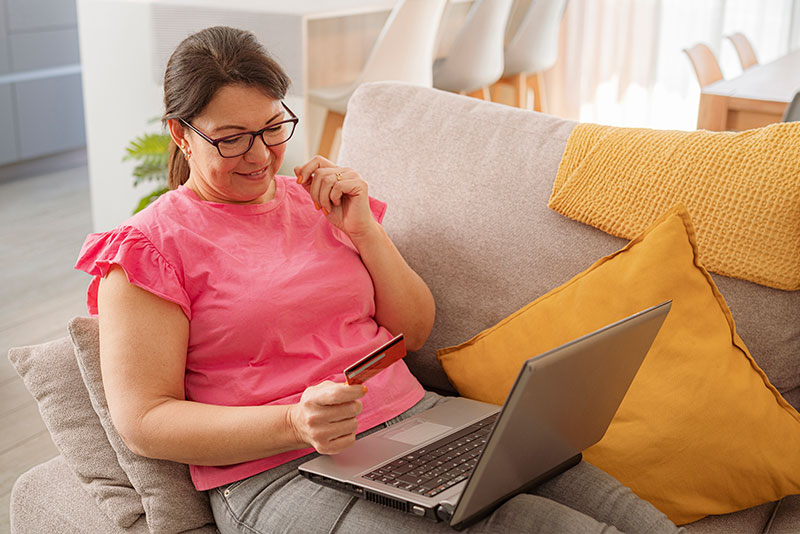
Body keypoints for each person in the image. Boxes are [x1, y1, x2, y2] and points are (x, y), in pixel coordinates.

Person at [75, 26, 685, 534]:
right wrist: (291, 421)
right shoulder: (147, 247)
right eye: (231, 139)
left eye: (270, 128)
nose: (260, 155)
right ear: (181, 133)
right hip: (275, 470)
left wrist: (364, 230)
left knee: (638, 521)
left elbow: (413, 330)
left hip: (417, 423)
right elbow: (144, 420)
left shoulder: (319, 201)